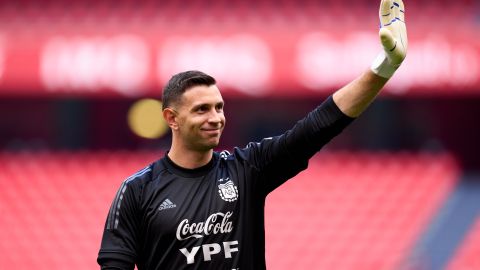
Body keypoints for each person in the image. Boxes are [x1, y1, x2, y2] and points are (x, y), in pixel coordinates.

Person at [97, 0, 407, 269]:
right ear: (171, 118)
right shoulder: (137, 190)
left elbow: (318, 126)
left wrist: (383, 67)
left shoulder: (246, 170)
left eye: (219, 107)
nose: (216, 118)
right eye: (202, 109)